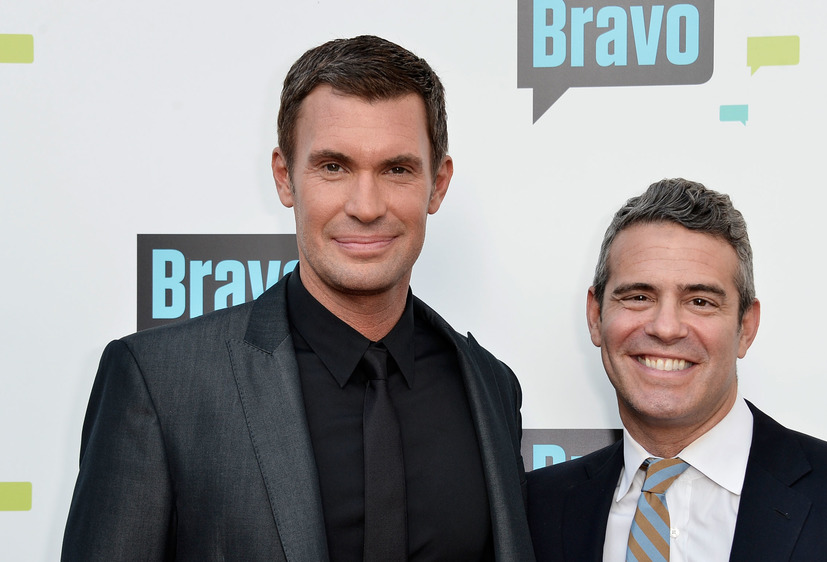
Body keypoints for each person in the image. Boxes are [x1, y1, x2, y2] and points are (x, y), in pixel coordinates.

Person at [63, 35, 534, 561]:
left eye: (396, 169)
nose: (366, 205)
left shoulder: (491, 386)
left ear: (438, 184)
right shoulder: (160, 382)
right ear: (285, 178)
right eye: (333, 167)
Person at [526, 178, 827, 561]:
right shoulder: (531, 509)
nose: (665, 327)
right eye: (638, 296)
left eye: (700, 301)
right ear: (595, 315)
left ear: (746, 327)